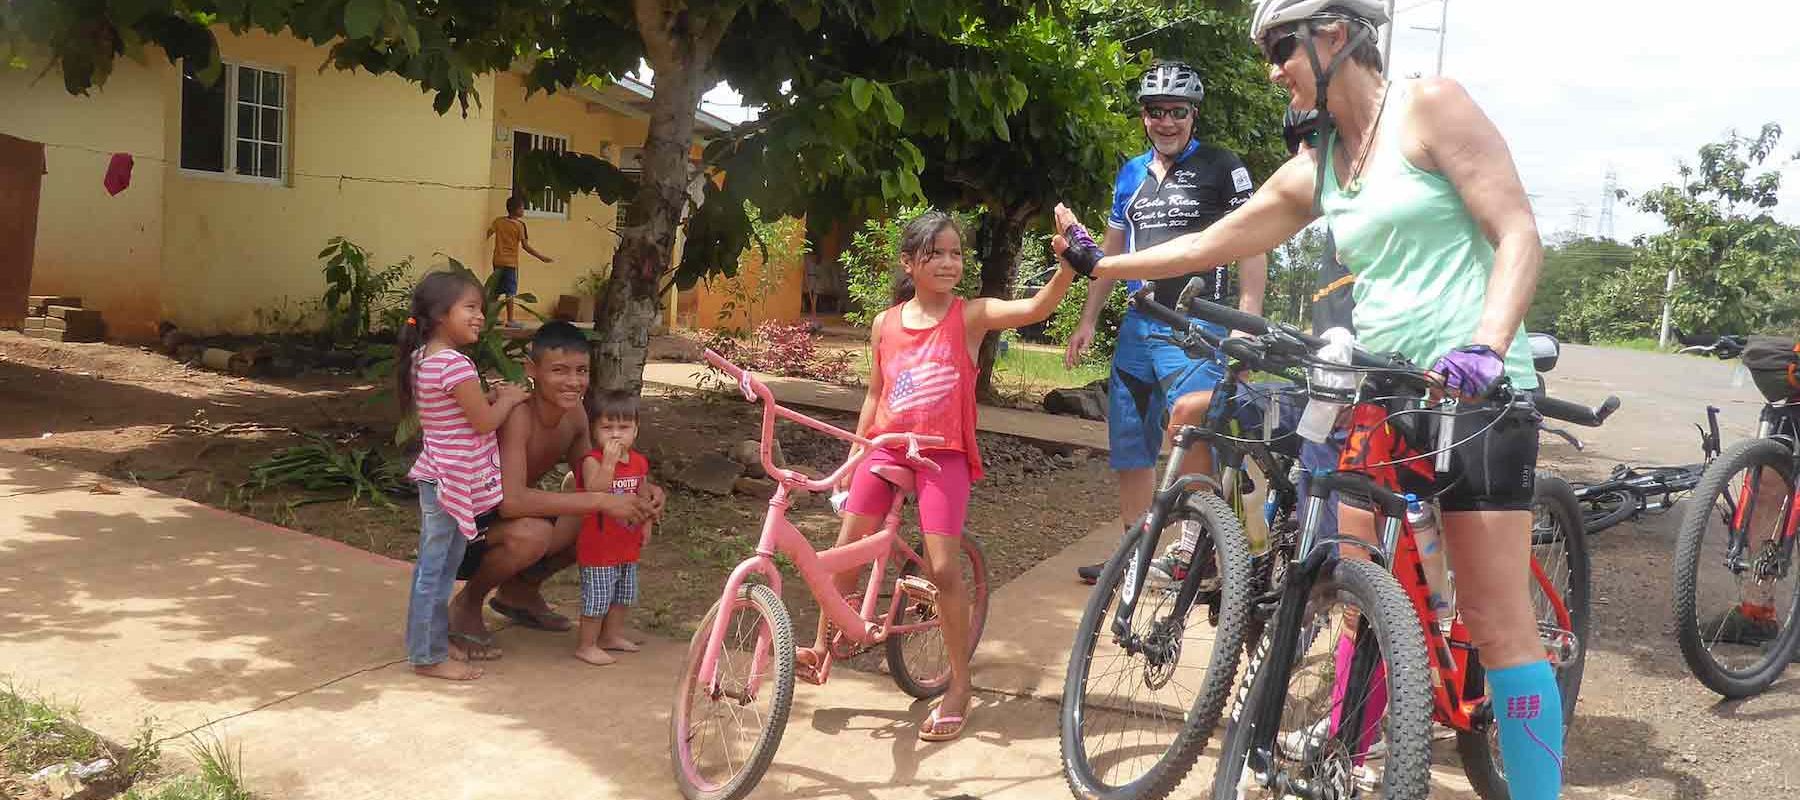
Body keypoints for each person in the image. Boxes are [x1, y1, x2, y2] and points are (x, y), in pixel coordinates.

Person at [1055, 1, 1562, 796]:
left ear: (1333, 35)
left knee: (1498, 628)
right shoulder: (1323, 161)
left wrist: (1488, 345)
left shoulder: (1431, 107)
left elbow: (1518, 232)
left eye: (1279, 47)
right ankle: (1355, 741)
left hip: (1475, 390)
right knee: (1354, 582)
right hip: (1382, 388)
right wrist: (1100, 266)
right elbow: (1212, 242)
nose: (1272, 68)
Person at [794, 210, 1075, 743]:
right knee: (847, 549)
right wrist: (857, 456)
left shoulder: (970, 317)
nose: (949, 263)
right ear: (909, 262)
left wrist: (1065, 265)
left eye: (955, 254)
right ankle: (821, 646)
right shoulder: (886, 323)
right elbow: (876, 394)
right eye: (936, 253)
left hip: (943, 455)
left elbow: (1038, 307)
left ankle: (959, 686)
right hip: (886, 447)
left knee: (944, 569)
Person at [1062, 60, 1269, 585]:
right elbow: (1112, 250)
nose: (1167, 121)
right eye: (1157, 112)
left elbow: (1252, 246)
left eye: (1177, 111)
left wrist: (1247, 320)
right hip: (1138, 324)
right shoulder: (1130, 172)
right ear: (1144, 117)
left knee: (1193, 432)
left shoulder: (1222, 166)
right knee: (1129, 441)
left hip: (1197, 325)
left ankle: (1195, 553)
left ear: (1193, 114)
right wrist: (1089, 317)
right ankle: (1136, 552)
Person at [448, 321, 663, 659]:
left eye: (581, 370)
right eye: (559, 370)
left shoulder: (575, 413)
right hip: (465, 530)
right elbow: (512, 502)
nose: (573, 381)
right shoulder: (519, 415)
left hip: (500, 525)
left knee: (592, 517)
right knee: (534, 533)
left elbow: (591, 477)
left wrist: (643, 489)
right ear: (532, 369)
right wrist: (604, 500)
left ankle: (519, 591)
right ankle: (467, 603)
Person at [398, 271, 530, 681]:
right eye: (470, 308)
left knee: (437, 566)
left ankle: (432, 642)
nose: (480, 317)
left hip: (442, 475)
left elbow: (457, 411)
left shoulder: (425, 358)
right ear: (441, 314)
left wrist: (488, 397)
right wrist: (506, 399)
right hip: (450, 479)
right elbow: (484, 422)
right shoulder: (454, 364)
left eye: (481, 309)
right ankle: (427, 656)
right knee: (436, 571)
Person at [572, 390, 654, 667]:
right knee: (597, 597)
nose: (616, 435)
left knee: (624, 595)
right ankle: (587, 644)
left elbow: (643, 497)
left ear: (636, 430)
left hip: (626, 543)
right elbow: (595, 490)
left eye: (624, 427)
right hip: (598, 545)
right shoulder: (591, 461)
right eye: (607, 428)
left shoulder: (639, 462)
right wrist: (608, 462)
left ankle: (611, 636)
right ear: (594, 431)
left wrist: (647, 524)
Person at [487, 195, 555, 328]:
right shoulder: (520, 226)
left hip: (497, 261)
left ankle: (491, 318)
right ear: (517, 209)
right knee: (510, 292)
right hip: (510, 263)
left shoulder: (498, 222)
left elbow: (489, 232)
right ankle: (511, 320)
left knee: (495, 290)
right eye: (522, 207)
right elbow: (525, 246)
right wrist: (541, 257)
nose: (523, 210)